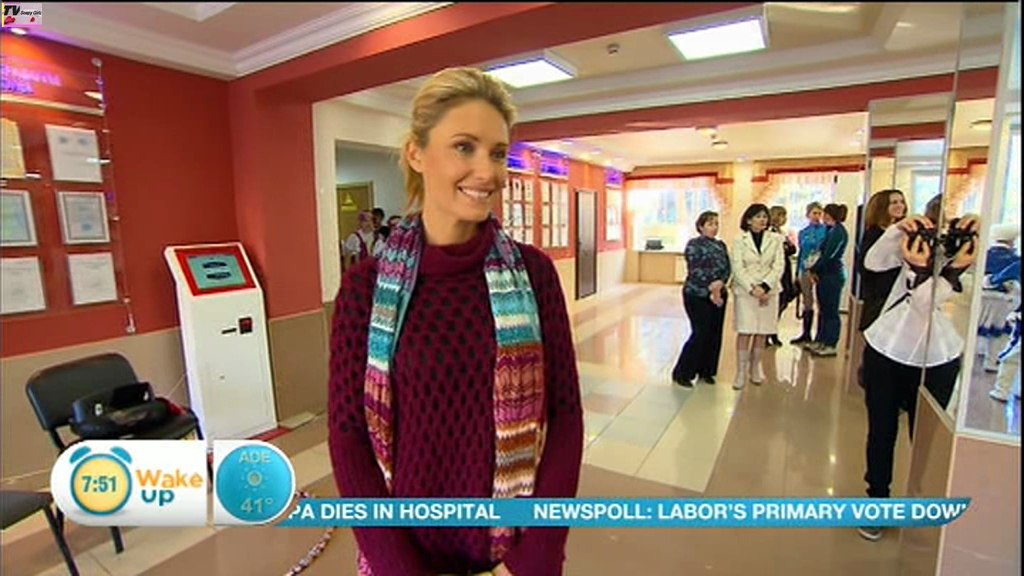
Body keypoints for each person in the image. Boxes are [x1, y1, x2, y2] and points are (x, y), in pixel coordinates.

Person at [328, 67, 583, 576]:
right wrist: (399, 568)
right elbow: (348, 435)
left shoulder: (535, 275)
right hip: (405, 556)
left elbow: (565, 418)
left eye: (498, 152)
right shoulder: (364, 289)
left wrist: (534, 557)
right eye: (464, 147)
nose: (487, 172)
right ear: (416, 154)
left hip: (511, 552)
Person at [858, 194, 979, 542]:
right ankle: (877, 502)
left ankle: (920, 499)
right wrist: (899, 230)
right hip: (888, 348)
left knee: (925, 438)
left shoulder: (965, 257)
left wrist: (964, 253)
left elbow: (928, 300)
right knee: (881, 432)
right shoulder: (911, 244)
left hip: (938, 356)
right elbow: (873, 261)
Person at [730, 203, 787, 390]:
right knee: (745, 330)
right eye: (758, 216)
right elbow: (738, 267)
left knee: (762, 331)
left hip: (769, 292)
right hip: (746, 292)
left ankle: (755, 368)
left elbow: (779, 265)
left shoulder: (776, 239)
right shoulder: (740, 240)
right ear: (749, 220)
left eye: (764, 216)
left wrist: (765, 286)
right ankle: (740, 371)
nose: (762, 220)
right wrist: (752, 288)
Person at [671, 211, 731, 387]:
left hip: (719, 294)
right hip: (697, 294)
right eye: (710, 224)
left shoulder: (720, 245)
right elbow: (695, 270)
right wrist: (711, 289)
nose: (714, 227)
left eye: (716, 224)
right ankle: (682, 373)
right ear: (701, 226)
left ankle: (706, 371)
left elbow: (727, 268)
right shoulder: (693, 245)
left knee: (714, 333)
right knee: (700, 332)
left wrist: (720, 283)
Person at [806, 204, 849, 357]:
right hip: (824, 275)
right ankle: (821, 340)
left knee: (831, 311)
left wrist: (815, 268)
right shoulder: (830, 230)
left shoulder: (839, 232)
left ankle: (830, 343)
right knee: (823, 309)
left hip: (832, 275)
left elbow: (829, 255)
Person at [977, 223, 1021, 371]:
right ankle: (991, 361)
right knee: (998, 332)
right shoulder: (1015, 259)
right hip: (1003, 299)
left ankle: (970, 355)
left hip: (981, 296)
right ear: (1011, 241)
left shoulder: (983, 254)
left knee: (974, 327)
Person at [791, 202, 828, 345]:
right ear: (808, 215)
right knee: (807, 301)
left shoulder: (826, 231)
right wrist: (797, 272)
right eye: (814, 213)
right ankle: (806, 333)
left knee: (822, 301)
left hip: (819, 270)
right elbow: (801, 253)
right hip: (805, 269)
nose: (817, 216)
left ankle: (820, 335)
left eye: (819, 213)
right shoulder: (803, 233)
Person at [767, 206, 797, 347]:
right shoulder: (770, 233)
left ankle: (773, 331)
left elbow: (792, 249)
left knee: (784, 300)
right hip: (776, 271)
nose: (784, 219)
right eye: (781, 216)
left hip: (786, 269)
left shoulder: (782, 233)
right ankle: (769, 333)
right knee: (776, 302)